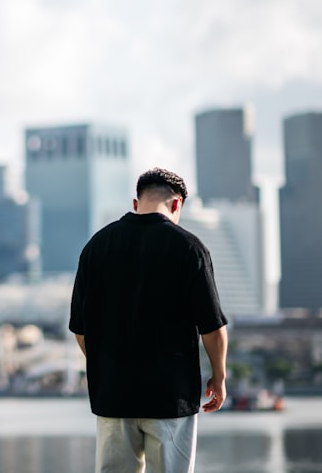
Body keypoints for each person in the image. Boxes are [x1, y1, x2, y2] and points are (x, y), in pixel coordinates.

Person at [69, 167, 228, 473]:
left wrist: (108, 363)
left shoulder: (96, 247)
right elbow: (213, 327)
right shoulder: (189, 248)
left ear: (135, 203)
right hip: (171, 397)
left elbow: (80, 330)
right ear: (177, 204)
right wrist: (218, 377)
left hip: (113, 397)